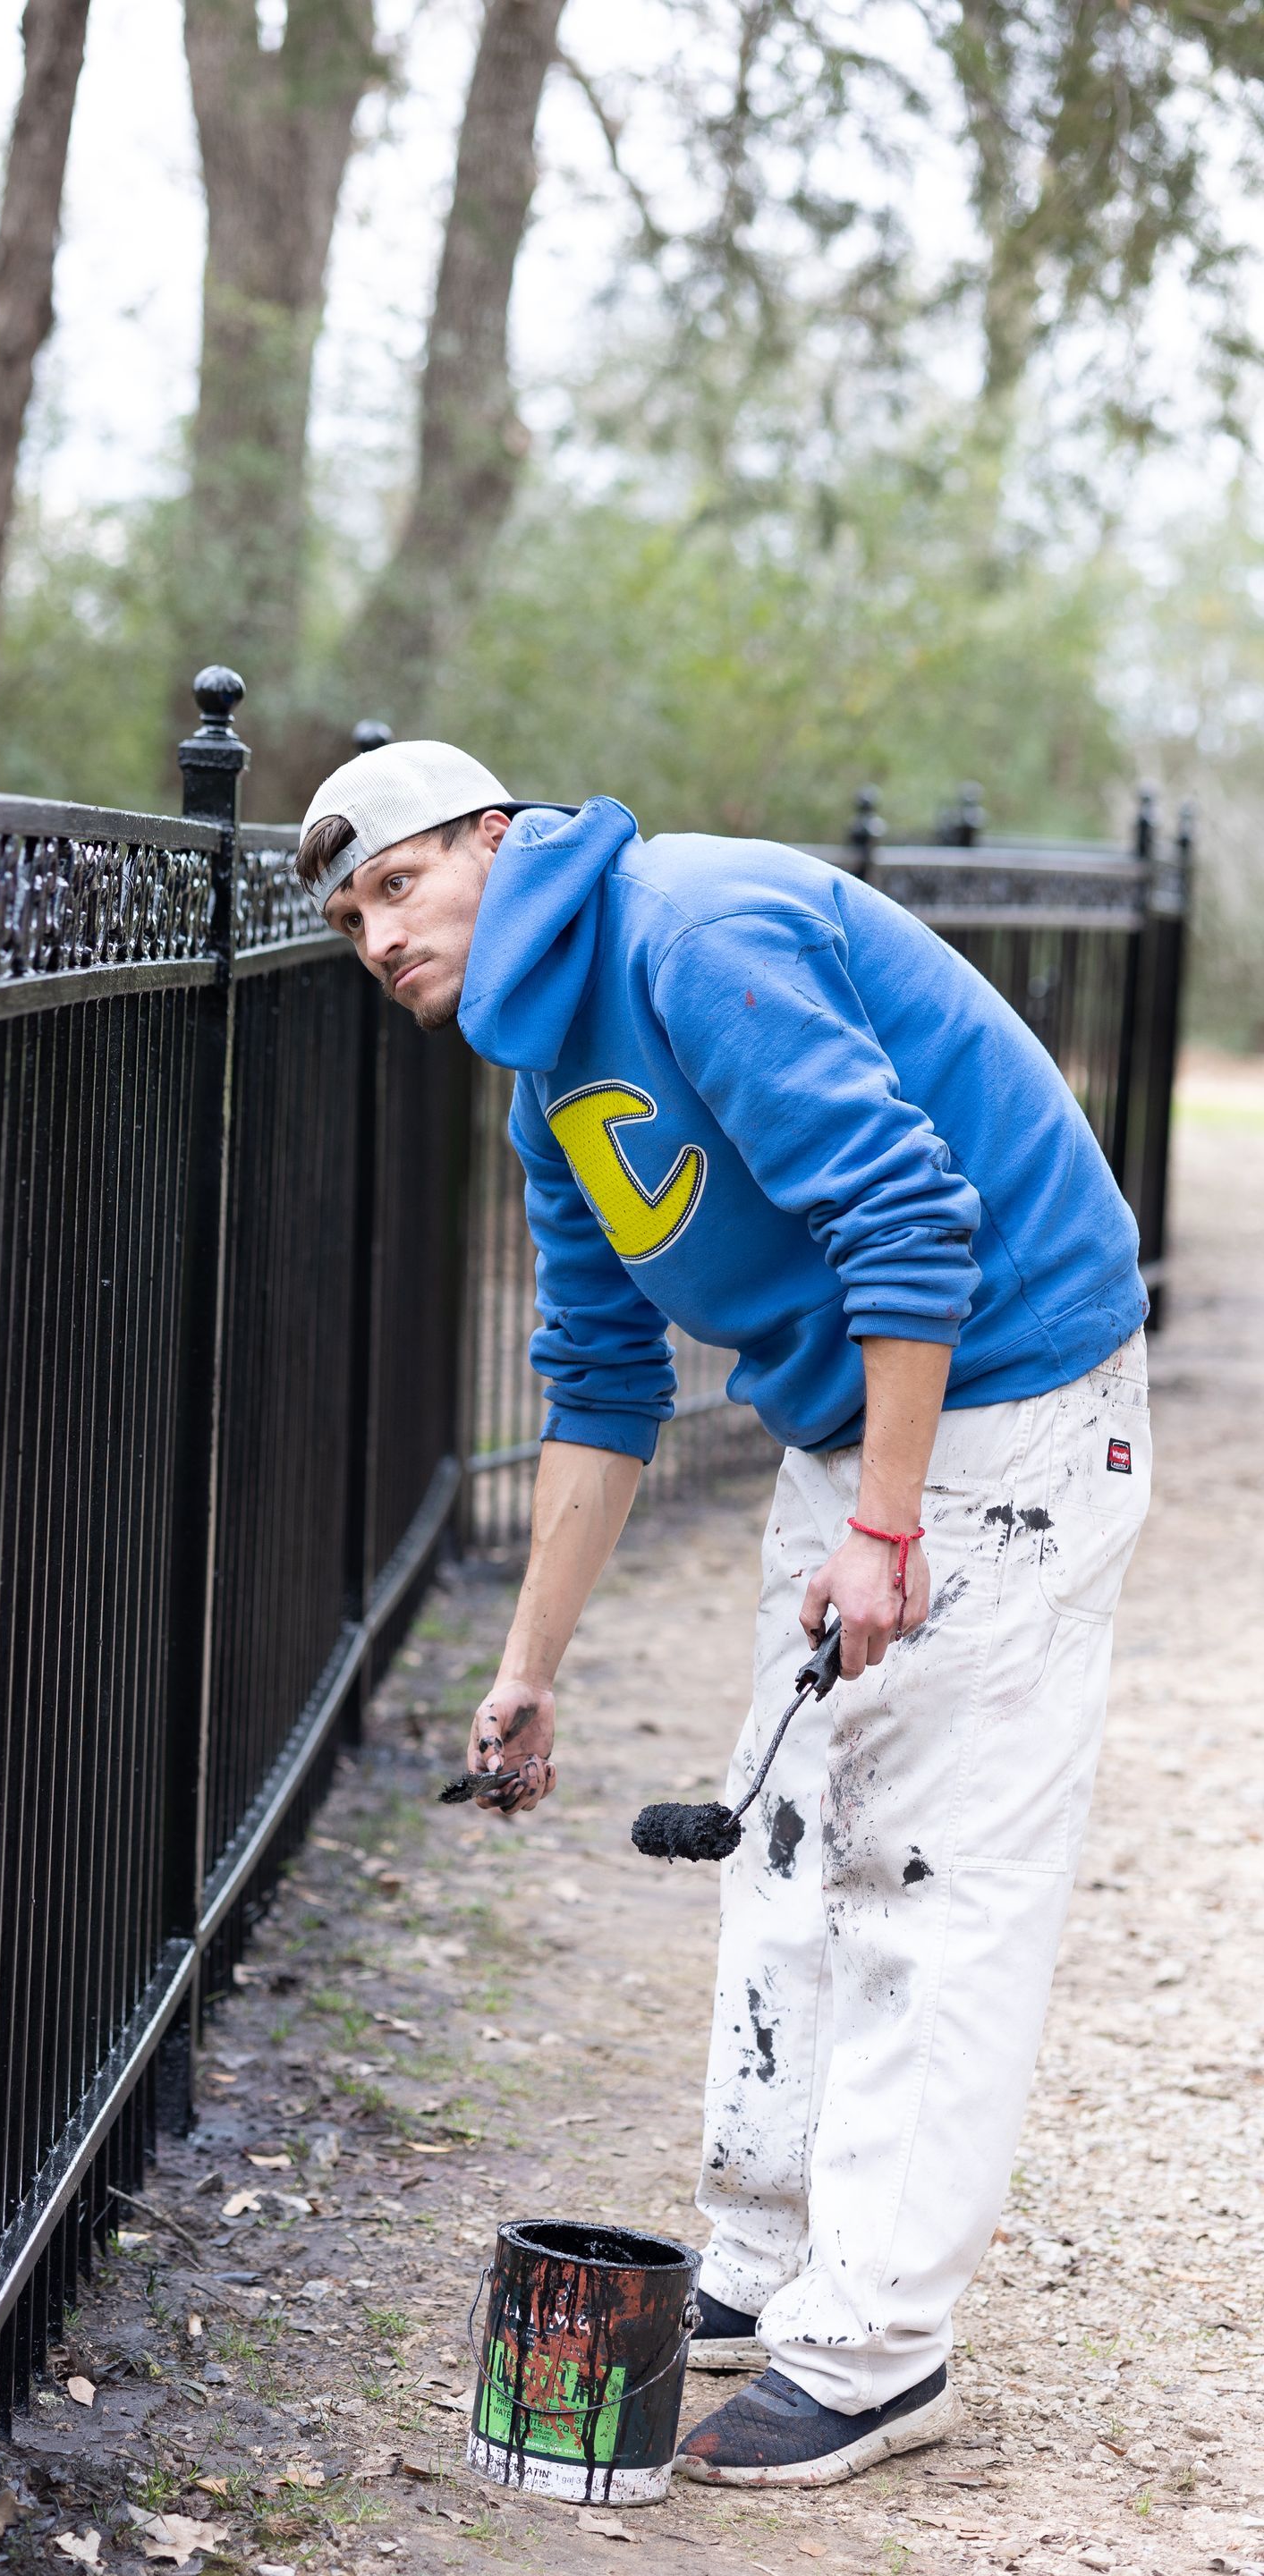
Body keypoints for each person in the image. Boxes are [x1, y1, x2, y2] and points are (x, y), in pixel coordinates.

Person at [295, 741, 1152, 2489]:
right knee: (788, 1846)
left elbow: (918, 1213)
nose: (376, 938)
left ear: (495, 841)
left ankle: (877, 2350)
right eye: (347, 918)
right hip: (861, 1425)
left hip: (1016, 1392)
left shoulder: (690, 928)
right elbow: (602, 1382)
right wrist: (530, 1671)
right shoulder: (546, 1077)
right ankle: (762, 2264)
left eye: (396, 882)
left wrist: (892, 1526)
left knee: (928, 1875)